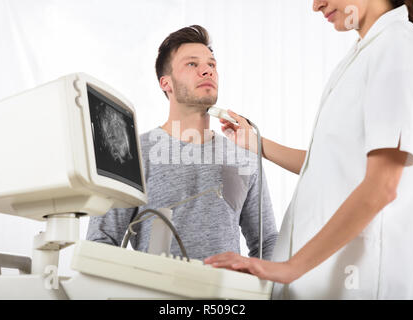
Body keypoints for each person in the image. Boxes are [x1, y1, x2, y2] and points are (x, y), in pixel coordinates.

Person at [205, 0, 413, 299]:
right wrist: (257, 144)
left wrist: (289, 268)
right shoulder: (362, 55)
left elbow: (382, 186)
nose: (315, 5)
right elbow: (327, 165)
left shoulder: (399, 46)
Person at [86, 25, 279, 261]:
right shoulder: (131, 154)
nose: (207, 71)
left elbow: (266, 241)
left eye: (211, 64)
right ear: (166, 83)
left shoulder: (244, 155)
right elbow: (102, 241)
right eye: (192, 64)